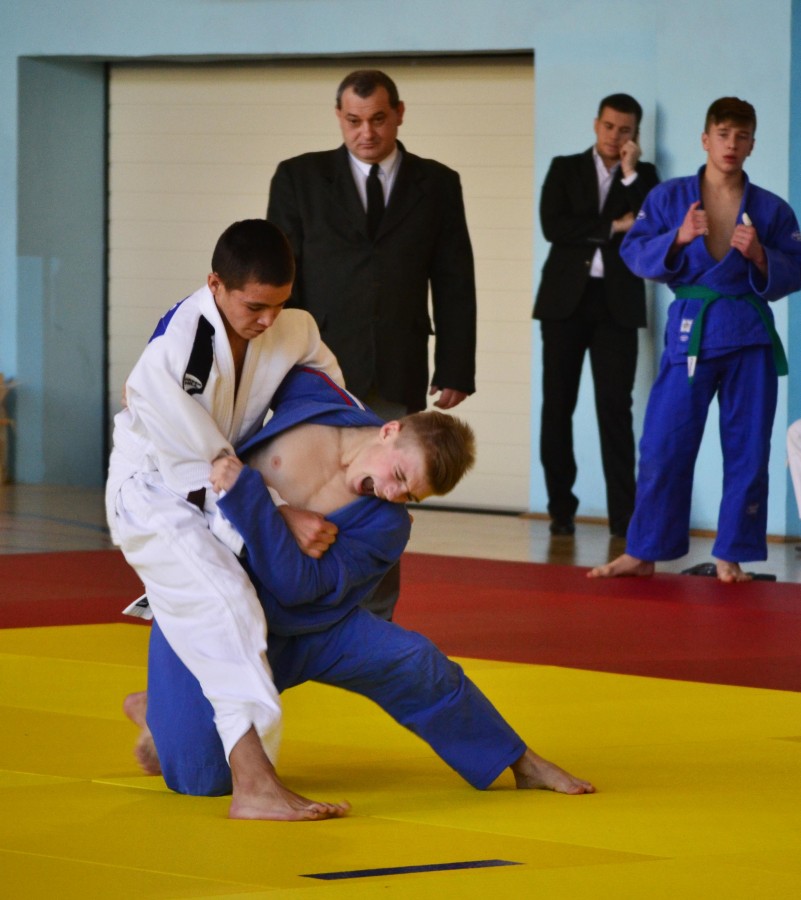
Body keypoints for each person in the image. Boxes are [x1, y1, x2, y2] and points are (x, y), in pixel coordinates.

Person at [125, 366, 595, 801]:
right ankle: (163, 707)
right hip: (213, 614)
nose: (392, 494)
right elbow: (268, 352)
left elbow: (299, 587)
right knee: (202, 780)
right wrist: (154, 389)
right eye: (399, 475)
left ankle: (521, 761)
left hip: (313, 628)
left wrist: (253, 499)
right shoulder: (317, 401)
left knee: (416, 662)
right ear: (389, 431)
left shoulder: (387, 525)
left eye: (409, 495)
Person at [106, 219, 349, 821]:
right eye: (255, 306)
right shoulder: (177, 352)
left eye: (280, 304)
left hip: (225, 483)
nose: (268, 320)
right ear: (215, 284)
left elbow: (329, 405)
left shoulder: (295, 329)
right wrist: (277, 513)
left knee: (244, 608)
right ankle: (255, 783)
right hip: (154, 493)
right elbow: (203, 469)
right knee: (227, 604)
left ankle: (161, 709)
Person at [267, 68, 478, 620]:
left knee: (385, 497)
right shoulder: (298, 178)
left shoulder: (438, 183)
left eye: (379, 119)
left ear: (399, 114)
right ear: (339, 117)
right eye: (354, 121)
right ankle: (289, 609)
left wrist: (456, 365)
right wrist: (274, 361)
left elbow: (454, 277)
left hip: (395, 364)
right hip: (313, 371)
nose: (367, 133)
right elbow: (281, 280)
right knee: (303, 488)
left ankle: (374, 620)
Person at [589, 97, 801, 583]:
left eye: (741, 136)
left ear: (752, 144)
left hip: (749, 336)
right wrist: (679, 238)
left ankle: (731, 556)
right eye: (723, 134)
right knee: (664, 445)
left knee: (748, 449)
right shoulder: (670, 198)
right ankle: (644, 551)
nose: (731, 144)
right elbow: (634, 251)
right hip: (692, 333)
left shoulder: (770, 208)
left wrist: (761, 256)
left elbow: (797, 264)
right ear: (706, 139)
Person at [534, 94, 660, 538]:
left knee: (615, 410)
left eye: (625, 130)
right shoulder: (564, 168)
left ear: (635, 135)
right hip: (564, 304)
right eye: (609, 126)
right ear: (596, 124)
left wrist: (629, 172)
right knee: (557, 407)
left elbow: (652, 224)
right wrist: (614, 226)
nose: (614, 136)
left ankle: (624, 518)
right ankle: (560, 510)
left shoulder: (645, 176)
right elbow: (554, 226)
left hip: (617, 306)